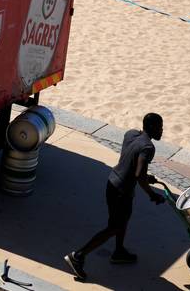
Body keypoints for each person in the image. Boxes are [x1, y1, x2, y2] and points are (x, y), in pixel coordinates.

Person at [64, 113, 165, 281]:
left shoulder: (131, 134)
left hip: (112, 183)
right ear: (153, 127)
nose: (162, 130)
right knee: (114, 227)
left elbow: (131, 164)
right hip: (122, 191)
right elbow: (139, 174)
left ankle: (119, 252)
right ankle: (78, 256)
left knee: (120, 221)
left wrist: (146, 178)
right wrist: (152, 194)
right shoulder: (148, 147)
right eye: (160, 127)